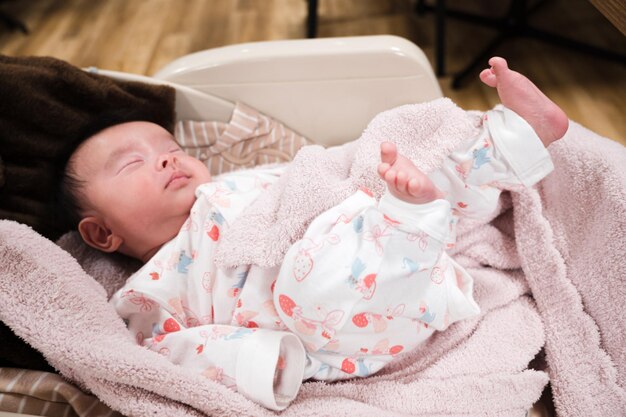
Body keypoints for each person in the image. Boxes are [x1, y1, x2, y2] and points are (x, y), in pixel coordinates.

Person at [60, 57, 568, 410]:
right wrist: (267, 362)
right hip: (341, 326)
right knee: (310, 280)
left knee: (403, 173)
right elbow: (171, 357)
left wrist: (353, 180)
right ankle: (411, 221)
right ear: (102, 234)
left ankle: (515, 136)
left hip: (400, 259)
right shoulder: (146, 292)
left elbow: (318, 182)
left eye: (170, 146)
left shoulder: (238, 183)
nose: (167, 158)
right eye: (134, 164)